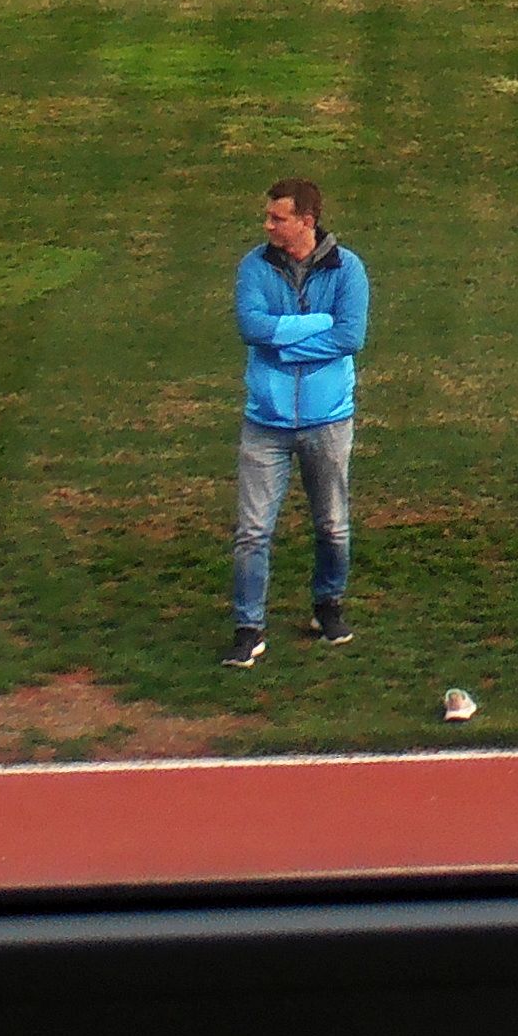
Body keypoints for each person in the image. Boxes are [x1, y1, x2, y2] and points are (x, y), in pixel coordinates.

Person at [227, 175, 368, 669]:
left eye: (276, 217)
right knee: (252, 531)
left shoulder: (348, 269)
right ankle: (248, 628)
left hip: (327, 421)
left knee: (332, 527)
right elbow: (251, 328)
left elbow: (350, 336)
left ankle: (327, 607)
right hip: (265, 422)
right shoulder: (253, 266)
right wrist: (314, 325)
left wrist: (281, 340)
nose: (267, 224)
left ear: (306, 222)